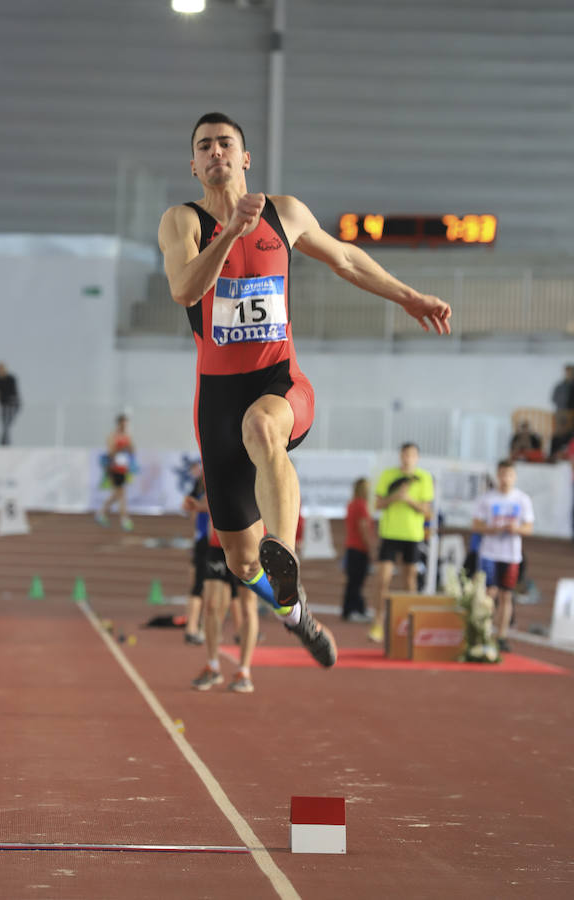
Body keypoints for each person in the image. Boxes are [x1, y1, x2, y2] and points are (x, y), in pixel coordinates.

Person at [157, 111, 452, 667]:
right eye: (204, 147)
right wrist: (231, 236)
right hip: (216, 398)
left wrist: (409, 296)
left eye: (226, 143)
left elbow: (346, 259)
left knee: (262, 426)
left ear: (245, 158)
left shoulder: (284, 213)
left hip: (279, 381)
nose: (216, 152)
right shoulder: (181, 221)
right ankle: (294, 612)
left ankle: (285, 555)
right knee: (241, 564)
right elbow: (183, 288)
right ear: (193, 165)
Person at [369, 443, 434, 642]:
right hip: (390, 533)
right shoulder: (388, 475)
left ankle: (409, 623)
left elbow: (427, 511)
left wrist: (408, 499)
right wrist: (395, 497)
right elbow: (378, 504)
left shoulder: (424, 478)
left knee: (410, 580)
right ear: (400, 456)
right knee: (383, 579)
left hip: (413, 535)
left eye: (412, 455)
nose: (408, 458)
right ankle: (379, 622)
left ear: (417, 457)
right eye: (405, 454)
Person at [472, 459, 534, 652]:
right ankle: (484, 632)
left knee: (507, 595)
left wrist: (516, 528)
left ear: (514, 477)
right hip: (489, 552)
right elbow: (476, 525)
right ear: (498, 475)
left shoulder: (522, 499)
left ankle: (501, 635)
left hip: (511, 555)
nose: (505, 479)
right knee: (489, 594)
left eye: (509, 475)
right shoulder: (487, 499)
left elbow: (528, 527)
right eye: (502, 474)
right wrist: (493, 528)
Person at [191, 527, 258, 693]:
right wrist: (199, 506)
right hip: (218, 542)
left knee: (247, 607)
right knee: (211, 604)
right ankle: (212, 666)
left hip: (248, 542)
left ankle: (244, 671)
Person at [182, 461, 209, 645]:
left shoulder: (199, 485)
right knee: (201, 585)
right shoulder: (207, 484)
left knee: (199, 584)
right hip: (208, 541)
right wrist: (198, 507)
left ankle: (196, 626)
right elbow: (189, 506)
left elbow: (187, 506)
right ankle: (193, 627)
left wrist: (195, 507)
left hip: (202, 539)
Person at [95, 414, 136, 531]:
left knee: (118, 494)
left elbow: (132, 450)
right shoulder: (113, 436)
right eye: (123, 423)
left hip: (123, 468)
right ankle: (124, 519)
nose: (125, 426)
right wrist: (121, 447)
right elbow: (110, 452)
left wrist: (129, 447)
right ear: (119, 424)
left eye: (126, 424)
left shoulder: (127, 436)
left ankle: (101, 513)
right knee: (121, 494)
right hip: (114, 468)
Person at [342, 478, 373, 622]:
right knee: (357, 581)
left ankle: (356, 608)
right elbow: (363, 528)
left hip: (351, 546)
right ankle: (353, 610)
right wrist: (370, 547)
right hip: (359, 547)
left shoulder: (351, 504)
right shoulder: (361, 505)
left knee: (353, 581)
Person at [0, 362, 20, 445]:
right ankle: (4, 440)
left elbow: (13, 392)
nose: (0, 370)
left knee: (7, 422)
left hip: (12, 404)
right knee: (4, 423)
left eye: (1, 368)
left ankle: (3, 440)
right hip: (2, 405)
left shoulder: (10, 378)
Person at [550, 365, 574, 459]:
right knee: (558, 436)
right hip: (561, 413)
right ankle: (554, 455)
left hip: (571, 414)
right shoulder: (560, 386)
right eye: (567, 372)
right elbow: (554, 399)